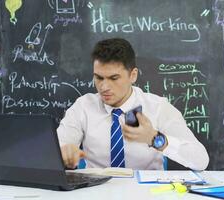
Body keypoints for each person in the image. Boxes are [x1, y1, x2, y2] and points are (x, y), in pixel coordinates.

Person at [57, 38, 209, 170]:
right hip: (97, 191)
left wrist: (155, 139)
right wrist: (64, 154)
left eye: (114, 78)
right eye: (99, 78)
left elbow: (200, 160)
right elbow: (56, 151)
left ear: (133, 75)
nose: (104, 87)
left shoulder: (157, 107)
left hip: (147, 193)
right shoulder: (83, 106)